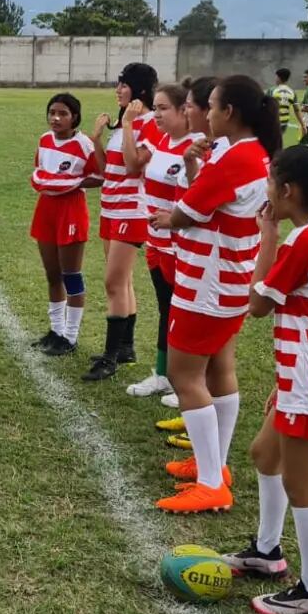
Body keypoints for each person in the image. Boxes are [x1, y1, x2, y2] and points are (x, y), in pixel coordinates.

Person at [222, 145, 308, 614]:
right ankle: (266, 552)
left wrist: (266, 235)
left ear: (288, 190)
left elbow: (258, 305)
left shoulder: (307, 240)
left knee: (302, 484)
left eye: (269, 183)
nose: (265, 193)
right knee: (265, 453)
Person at [148, 75, 281, 514]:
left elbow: (188, 211)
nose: (199, 111)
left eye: (209, 105)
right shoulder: (252, 155)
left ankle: (211, 482)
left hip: (208, 279)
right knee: (220, 367)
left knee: (186, 375)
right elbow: (207, 202)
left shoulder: (237, 160)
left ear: (228, 113)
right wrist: (191, 173)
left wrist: (167, 218)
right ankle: (214, 466)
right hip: (228, 276)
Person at [84, 62, 158, 381]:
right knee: (123, 281)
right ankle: (125, 347)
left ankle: (111, 357)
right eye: (118, 84)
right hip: (111, 208)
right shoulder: (124, 122)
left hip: (131, 211)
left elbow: (132, 168)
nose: (118, 89)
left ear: (140, 90)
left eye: (124, 84)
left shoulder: (149, 123)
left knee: (114, 282)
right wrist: (98, 137)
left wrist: (128, 124)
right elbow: (106, 170)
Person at [127, 82, 199, 403]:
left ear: (186, 111)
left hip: (180, 247)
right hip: (156, 242)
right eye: (154, 108)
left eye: (163, 108)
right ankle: (163, 375)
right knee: (165, 309)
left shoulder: (197, 147)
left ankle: (187, 382)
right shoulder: (161, 140)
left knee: (182, 314)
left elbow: (195, 199)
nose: (156, 114)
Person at [31, 92, 97, 355]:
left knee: (71, 276)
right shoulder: (44, 140)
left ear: (75, 118)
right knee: (52, 275)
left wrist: (70, 183)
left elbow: (99, 176)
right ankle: (56, 330)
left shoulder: (84, 145)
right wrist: (53, 183)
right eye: (52, 113)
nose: (55, 118)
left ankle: (70, 337)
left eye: (63, 114)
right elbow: (39, 172)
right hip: (46, 209)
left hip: (71, 211)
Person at [270, 68, 306, 138]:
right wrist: (303, 125)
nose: (275, 79)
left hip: (273, 123)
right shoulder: (292, 92)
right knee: (278, 141)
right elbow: (297, 110)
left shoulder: (272, 90)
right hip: (284, 123)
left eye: (276, 77)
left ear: (279, 78)